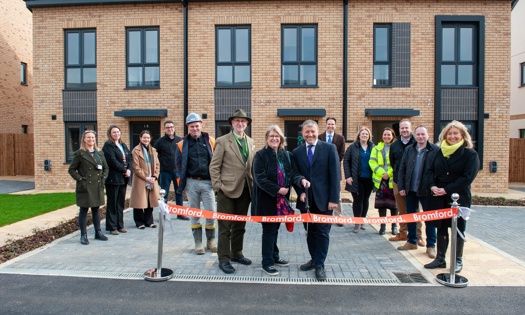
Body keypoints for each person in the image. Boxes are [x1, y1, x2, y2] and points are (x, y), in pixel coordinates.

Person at [252, 125, 309, 276]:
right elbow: (260, 179)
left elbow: (294, 173)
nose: (274, 139)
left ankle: (275, 257)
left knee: (275, 229)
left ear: (281, 139)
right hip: (267, 200)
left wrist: (301, 181)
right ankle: (267, 263)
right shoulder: (260, 155)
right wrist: (277, 189)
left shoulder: (287, 155)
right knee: (269, 230)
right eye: (271, 136)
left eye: (277, 136)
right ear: (266, 138)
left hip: (282, 200)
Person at [424, 120, 479, 273]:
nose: (452, 136)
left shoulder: (470, 154)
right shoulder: (437, 151)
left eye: (456, 133)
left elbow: (468, 177)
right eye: (449, 133)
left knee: (458, 229)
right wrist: (432, 186)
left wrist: (447, 189)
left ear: (462, 135)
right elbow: (429, 171)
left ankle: (457, 260)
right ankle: (440, 258)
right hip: (437, 195)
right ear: (445, 135)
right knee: (441, 227)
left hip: (458, 196)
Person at [293, 120, 341, 281]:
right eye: (307, 132)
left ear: (317, 131)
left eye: (312, 131)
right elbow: (295, 175)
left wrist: (334, 199)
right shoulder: (297, 151)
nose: (310, 134)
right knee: (310, 232)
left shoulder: (329, 148)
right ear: (303, 133)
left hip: (325, 200)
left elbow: (335, 175)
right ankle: (314, 259)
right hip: (306, 201)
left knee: (322, 233)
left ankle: (320, 265)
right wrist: (300, 192)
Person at [210, 109, 255, 274]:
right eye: (237, 121)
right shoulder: (222, 141)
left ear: (247, 124)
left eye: (243, 121)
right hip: (226, 191)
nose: (240, 124)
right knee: (225, 227)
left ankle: (236, 253)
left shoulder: (250, 142)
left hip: (245, 190)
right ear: (232, 123)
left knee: (240, 226)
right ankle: (223, 259)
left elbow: (249, 167)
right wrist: (218, 187)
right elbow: (214, 166)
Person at [176, 113, 216, 255]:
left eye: (197, 126)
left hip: (207, 182)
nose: (195, 128)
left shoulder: (210, 140)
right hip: (191, 182)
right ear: (188, 127)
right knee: (195, 213)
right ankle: (198, 243)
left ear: (201, 125)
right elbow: (178, 165)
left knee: (211, 213)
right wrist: (182, 184)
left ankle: (211, 241)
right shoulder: (182, 144)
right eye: (192, 126)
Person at [396, 126, 439, 258]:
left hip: (427, 191)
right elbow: (402, 168)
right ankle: (411, 241)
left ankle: (431, 245)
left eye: (422, 134)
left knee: (430, 219)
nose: (420, 137)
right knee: (411, 216)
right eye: (418, 134)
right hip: (410, 189)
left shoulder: (435, 150)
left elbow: (438, 171)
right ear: (414, 135)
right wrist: (402, 186)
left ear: (428, 135)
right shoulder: (410, 149)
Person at [68, 130, 109, 245]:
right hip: (85, 186)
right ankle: (83, 235)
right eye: (88, 138)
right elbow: (71, 169)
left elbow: (106, 168)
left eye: (92, 137)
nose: (91, 139)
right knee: (84, 210)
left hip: (97, 185)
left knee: (96, 209)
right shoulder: (80, 154)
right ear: (84, 139)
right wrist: (80, 179)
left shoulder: (99, 153)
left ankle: (98, 232)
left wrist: (103, 177)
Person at [389, 119, 423, 244]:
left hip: (414, 182)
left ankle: (418, 236)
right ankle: (402, 233)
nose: (404, 130)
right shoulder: (394, 145)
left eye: (406, 128)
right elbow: (393, 163)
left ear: (410, 128)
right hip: (398, 181)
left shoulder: (417, 143)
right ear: (399, 130)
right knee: (402, 209)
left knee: (415, 210)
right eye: (402, 128)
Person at [154, 120, 188, 220]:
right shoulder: (159, 142)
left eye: (171, 127)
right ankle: (163, 213)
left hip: (178, 172)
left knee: (179, 192)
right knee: (164, 193)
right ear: (164, 129)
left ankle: (180, 213)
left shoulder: (180, 140)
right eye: (168, 127)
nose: (170, 129)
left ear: (174, 128)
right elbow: (155, 156)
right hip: (165, 172)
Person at [343, 127, 375, 234]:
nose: (364, 135)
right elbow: (346, 161)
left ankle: (362, 221)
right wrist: (348, 176)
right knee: (357, 200)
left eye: (366, 134)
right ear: (359, 135)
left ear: (369, 136)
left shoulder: (373, 147)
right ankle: (357, 223)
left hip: (369, 179)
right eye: (362, 134)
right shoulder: (353, 147)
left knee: (365, 200)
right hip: (357, 179)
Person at [102, 125, 132, 235]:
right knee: (112, 203)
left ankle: (120, 225)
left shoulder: (122, 145)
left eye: (118, 132)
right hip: (113, 179)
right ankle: (112, 227)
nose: (116, 134)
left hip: (123, 178)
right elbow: (112, 161)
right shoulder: (108, 146)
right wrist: (124, 170)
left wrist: (129, 169)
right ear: (110, 134)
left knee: (120, 203)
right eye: (114, 132)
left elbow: (129, 158)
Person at [129, 130, 160, 229]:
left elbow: (157, 165)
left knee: (150, 201)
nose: (146, 139)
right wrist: (146, 178)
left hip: (152, 180)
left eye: (148, 138)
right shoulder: (135, 151)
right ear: (140, 138)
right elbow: (136, 167)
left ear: (150, 139)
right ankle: (139, 222)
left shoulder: (154, 151)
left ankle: (149, 221)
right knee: (139, 201)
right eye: (144, 138)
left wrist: (154, 177)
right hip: (141, 180)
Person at [369, 128, 398, 235]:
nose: (386, 136)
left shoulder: (396, 148)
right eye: (384, 134)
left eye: (389, 135)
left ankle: (394, 226)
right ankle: (383, 226)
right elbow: (372, 162)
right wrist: (382, 173)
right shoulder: (376, 148)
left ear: (393, 136)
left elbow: (397, 163)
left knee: (394, 206)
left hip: (392, 180)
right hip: (381, 181)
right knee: (382, 205)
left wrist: (389, 174)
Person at [318, 117, 346, 225]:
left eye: (332, 124)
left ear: (335, 126)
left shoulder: (340, 138)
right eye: (329, 124)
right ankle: (324, 215)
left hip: (335, 170)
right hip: (321, 170)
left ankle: (338, 216)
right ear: (326, 125)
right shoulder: (320, 137)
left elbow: (341, 154)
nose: (330, 126)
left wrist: (332, 163)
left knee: (337, 194)